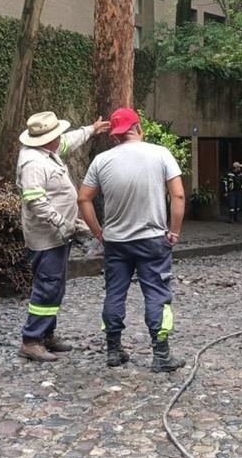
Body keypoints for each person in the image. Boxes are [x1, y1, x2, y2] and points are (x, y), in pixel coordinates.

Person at [77, 108, 187, 372]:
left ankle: (113, 350)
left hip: (116, 242)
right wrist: (174, 232)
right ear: (139, 128)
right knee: (157, 294)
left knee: (115, 293)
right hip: (152, 239)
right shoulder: (161, 154)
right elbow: (178, 196)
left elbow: (83, 198)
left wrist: (98, 231)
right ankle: (161, 355)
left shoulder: (101, 161)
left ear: (115, 136)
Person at [16, 111, 110, 362]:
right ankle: (31, 340)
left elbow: (69, 141)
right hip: (46, 237)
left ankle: (46, 333)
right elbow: (36, 201)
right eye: (57, 134)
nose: (61, 137)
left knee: (55, 285)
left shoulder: (48, 151)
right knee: (47, 286)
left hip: (58, 235)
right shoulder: (33, 164)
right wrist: (62, 224)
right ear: (47, 139)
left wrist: (91, 129)